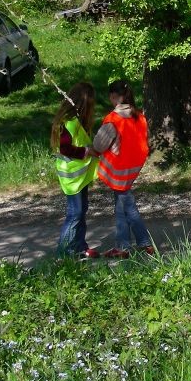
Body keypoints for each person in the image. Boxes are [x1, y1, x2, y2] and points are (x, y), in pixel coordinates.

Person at [94, 80, 152, 258]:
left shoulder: (113, 119)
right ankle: (126, 245)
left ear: (113, 97)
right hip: (133, 168)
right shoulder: (139, 117)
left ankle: (140, 244)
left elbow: (99, 145)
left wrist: (91, 150)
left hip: (118, 170)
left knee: (127, 207)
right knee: (123, 206)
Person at [51, 82, 100, 259]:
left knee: (81, 210)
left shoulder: (77, 121)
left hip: (80, 176)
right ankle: (63, 254)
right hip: (72, 177)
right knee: (75, 213)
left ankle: (79, 246)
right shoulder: (68, 123)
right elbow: (65, 149)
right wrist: (87, 151)